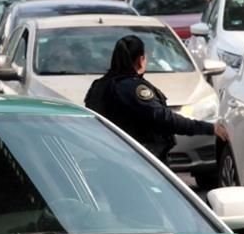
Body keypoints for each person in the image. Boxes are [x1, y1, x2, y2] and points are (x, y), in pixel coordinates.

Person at [85, 35, 227, 161]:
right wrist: (208, 128)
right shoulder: (134, 88)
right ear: (141, 60)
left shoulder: (99, 86)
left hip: (105, 157)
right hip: (140, 160)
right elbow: (165, 119)